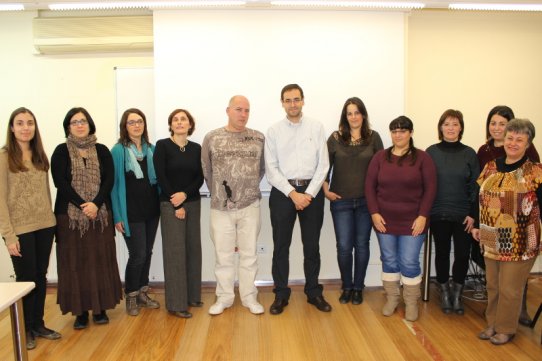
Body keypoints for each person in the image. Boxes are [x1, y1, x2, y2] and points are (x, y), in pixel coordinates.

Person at [51, 107, 122, 329]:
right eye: (74, 122)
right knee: (75, 262)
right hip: (70, 218)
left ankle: (100, 309)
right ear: (68, 127)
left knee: (100, 261)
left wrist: (96, 203)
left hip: (100, 215)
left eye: (83, 121)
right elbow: (60, 182)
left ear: (90, 124)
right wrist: (84, 205)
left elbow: (109, 180)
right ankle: (80, 312)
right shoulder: (61, 151)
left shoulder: (101, 150)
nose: (80, 125)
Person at [472, 119, 541, 345]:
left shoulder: (534, 172)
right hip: (491, 236)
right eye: (510, 137)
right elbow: (478, 198)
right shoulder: (491, 166)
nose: (513, 143)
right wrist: (475, 226)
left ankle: (506, 328)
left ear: (528, 143)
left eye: (519, 139)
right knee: (492, 284)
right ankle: (492, 323)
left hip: (521, 240)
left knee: (510, 288)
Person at [265, 84, 331, 315]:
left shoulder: (316, 127)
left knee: (311, 246)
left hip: (312, 192)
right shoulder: (273, 131)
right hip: (283, 194)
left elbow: (323, 165)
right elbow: (271, 168)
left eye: (296, 99)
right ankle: (281, 294)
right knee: (281, 247)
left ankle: (313, 292)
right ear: (282, 103)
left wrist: (308, 194)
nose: (292, 104)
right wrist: (293, 194)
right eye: (288, 100)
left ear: (303, 101)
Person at [365, 116, 436, 322]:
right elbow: (369, 187)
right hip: (384, 220)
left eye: (402, 131)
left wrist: (423, 216)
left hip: (413, 221)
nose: (398, 135)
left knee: (409, 261)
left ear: (410, 133)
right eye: (394, 131)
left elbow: (431, 190)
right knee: (389, 259)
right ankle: (393, 298)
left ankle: (411, 302)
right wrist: (374, 213)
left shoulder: (423, 158)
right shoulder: (380, 157)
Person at [0, 107, 60, 350]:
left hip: (44, 226)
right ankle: (24, 328)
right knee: (26, 279)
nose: (26, 127)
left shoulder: (39, 156)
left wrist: (52, 223)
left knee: (40, 276)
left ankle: (38, 323)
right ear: (12, 128)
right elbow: (0, 200)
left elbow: (45, 193)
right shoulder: (4, 157)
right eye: (20, 123)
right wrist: (8, 235)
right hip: (19, 230)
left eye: (30, 123)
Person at [201, 95, 265, 315]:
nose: (243, 114)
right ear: (228, 110)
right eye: (239, 109)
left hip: (250, 205)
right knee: (223, 255)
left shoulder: (258, 138)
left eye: (247, 110)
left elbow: (262, 169)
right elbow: (206, 170)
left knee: (249, 254)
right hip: (220, 207)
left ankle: (249, 297)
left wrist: (246, 189)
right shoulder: (212, 137)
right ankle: (224, 298)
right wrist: (221, 192)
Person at [323, 97, 383, 305]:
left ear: (363, 115)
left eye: (357, 112)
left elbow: (381, 171)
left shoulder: (374, 138)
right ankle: (346, 286)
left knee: (362, 245)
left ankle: (358, 287)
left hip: (367, 203)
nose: (354, 117)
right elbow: (323, 168)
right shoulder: (335, 138)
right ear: (345, 116)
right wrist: (326, 191)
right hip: (341, 202)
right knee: (344, 247)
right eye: (349, 113)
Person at [426, 109, 479, 315]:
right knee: (441, 253)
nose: (450, 128)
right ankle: (444, 291)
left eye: (455, 124)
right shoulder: (431, 152)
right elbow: (426, 184)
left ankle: (457, 292)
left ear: (461, 128)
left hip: (464, 214)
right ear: (440, 127)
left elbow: (476, 186)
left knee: (463, 254)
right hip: (438, 212)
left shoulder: (469, 153)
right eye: (446, 124)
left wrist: (473, 214)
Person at [154, 108, 204, 318]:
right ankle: (176, 304)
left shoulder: (196, 148)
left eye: (184, 119)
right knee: (175, 254)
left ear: (190, 125)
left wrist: (185, 194)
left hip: (192, 203)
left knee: (193, 251)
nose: (180, 122)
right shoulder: (163, 146)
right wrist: (176, 203)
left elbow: (200, 177)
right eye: (176, 119)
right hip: (170, 205)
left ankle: (192, 296)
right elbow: (161, 176)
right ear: (171, 125)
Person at [111, 108, 160, 316]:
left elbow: (157, 181)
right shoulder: (118, 151)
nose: (136, 125)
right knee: (137, 254)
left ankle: (142, 292)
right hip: (130, 213)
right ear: (125, 126)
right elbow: (113, 186)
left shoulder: (152, 148)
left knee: (147, 253)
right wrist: (117, 216)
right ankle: (130, 295)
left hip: (151, 210)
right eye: (131, 122)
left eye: (139, 121)